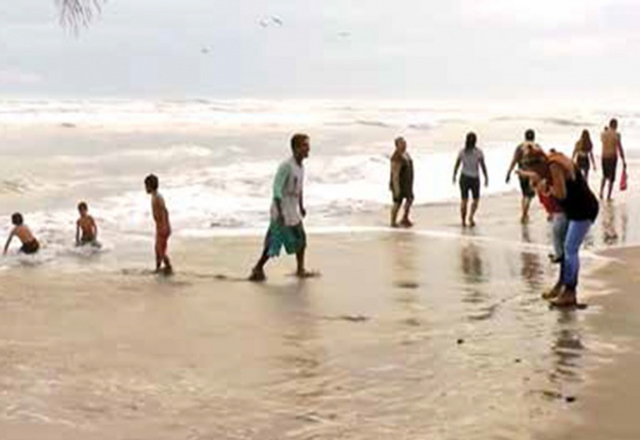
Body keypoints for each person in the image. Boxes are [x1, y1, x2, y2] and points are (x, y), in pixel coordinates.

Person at [520, 151, 599, 306]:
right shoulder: (550, 163)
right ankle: (562, 285)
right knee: (564, 248)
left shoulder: (554, 166)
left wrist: (546, 187)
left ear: (539, 164)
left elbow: (561, 194)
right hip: (573, 209)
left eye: (535, 170)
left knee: (570, 249)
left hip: (583, 209)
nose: (536, 174)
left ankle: (570, 292)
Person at [249, 133, 314, 282]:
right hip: (281, 209)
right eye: (305, 145)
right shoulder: (286, 166)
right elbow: (276, 188)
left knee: (301, 238)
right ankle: (258, 268)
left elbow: (299, 189)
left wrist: (301, 206)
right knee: (273, 242)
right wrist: (280, 211)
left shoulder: (301, 167)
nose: (308, 148)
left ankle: (300, 269)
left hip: (293, 210)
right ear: (296, 148)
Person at [505, 129, 544, 224]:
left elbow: (514, 160)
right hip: (532, 174)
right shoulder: (537, 147)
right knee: (529, 195)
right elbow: (542, 161)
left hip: (522, 174)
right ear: (534, 137)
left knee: (525, 194)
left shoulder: (520, 147)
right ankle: (524, 214)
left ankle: (524, 214)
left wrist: (509, 173)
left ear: (525, 137)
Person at [452, 132, 489, 227]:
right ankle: (471, 217)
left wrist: (454, 175)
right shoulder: (479, 152)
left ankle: (463, 221)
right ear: (475, 141)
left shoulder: (462, 152)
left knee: (464, 200)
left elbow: (457, 164)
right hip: (475, 178)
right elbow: (483, 166)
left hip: (464, 177)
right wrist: (486, 177)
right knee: (475, 200)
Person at [144, 174, 173, 275]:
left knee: (160, 250)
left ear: (150, 186)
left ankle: (169, 267)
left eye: (146, 186)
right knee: (157, 249)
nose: (145, 189)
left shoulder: (158, 197)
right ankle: (158, 267)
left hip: (163, 227)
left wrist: (164, 225)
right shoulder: (154, 196)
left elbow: (164, 211)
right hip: (159, 226)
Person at [389, 137, 414, 228]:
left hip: (407, 183)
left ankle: (405, 218)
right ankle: (393, 221)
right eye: (402, 144)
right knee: (397, 202)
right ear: (397, 145)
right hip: (399, 183)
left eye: (404, 143)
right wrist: (396, 188)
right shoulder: (396, 157)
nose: (404, 145)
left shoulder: (406, 154)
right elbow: (395, 174)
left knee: (410, 199)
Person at [600, 118, 627, 200]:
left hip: (604, 156)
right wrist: (623, 159)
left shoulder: (603, 134)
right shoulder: (617, 135)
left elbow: (602, 140)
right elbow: (620, 147)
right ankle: (608, 196)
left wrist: (606, 130)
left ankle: (601, 192)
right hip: (612, 157)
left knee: (604, 175)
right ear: (615, 125)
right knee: (611, 178)